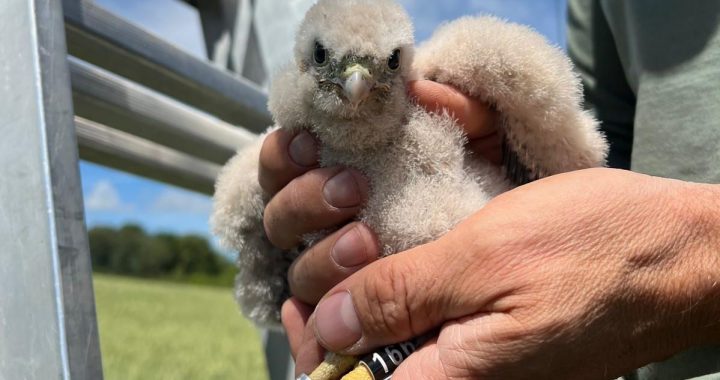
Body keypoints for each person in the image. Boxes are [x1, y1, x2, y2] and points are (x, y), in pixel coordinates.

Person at [261, 0, 720, 378]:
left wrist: (686, 259)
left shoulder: (455, 63)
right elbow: (602, 163)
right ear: (305, 56)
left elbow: (577, 151)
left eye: (388, 63)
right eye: (325, 58)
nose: (357, 84)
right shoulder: (292, 127)